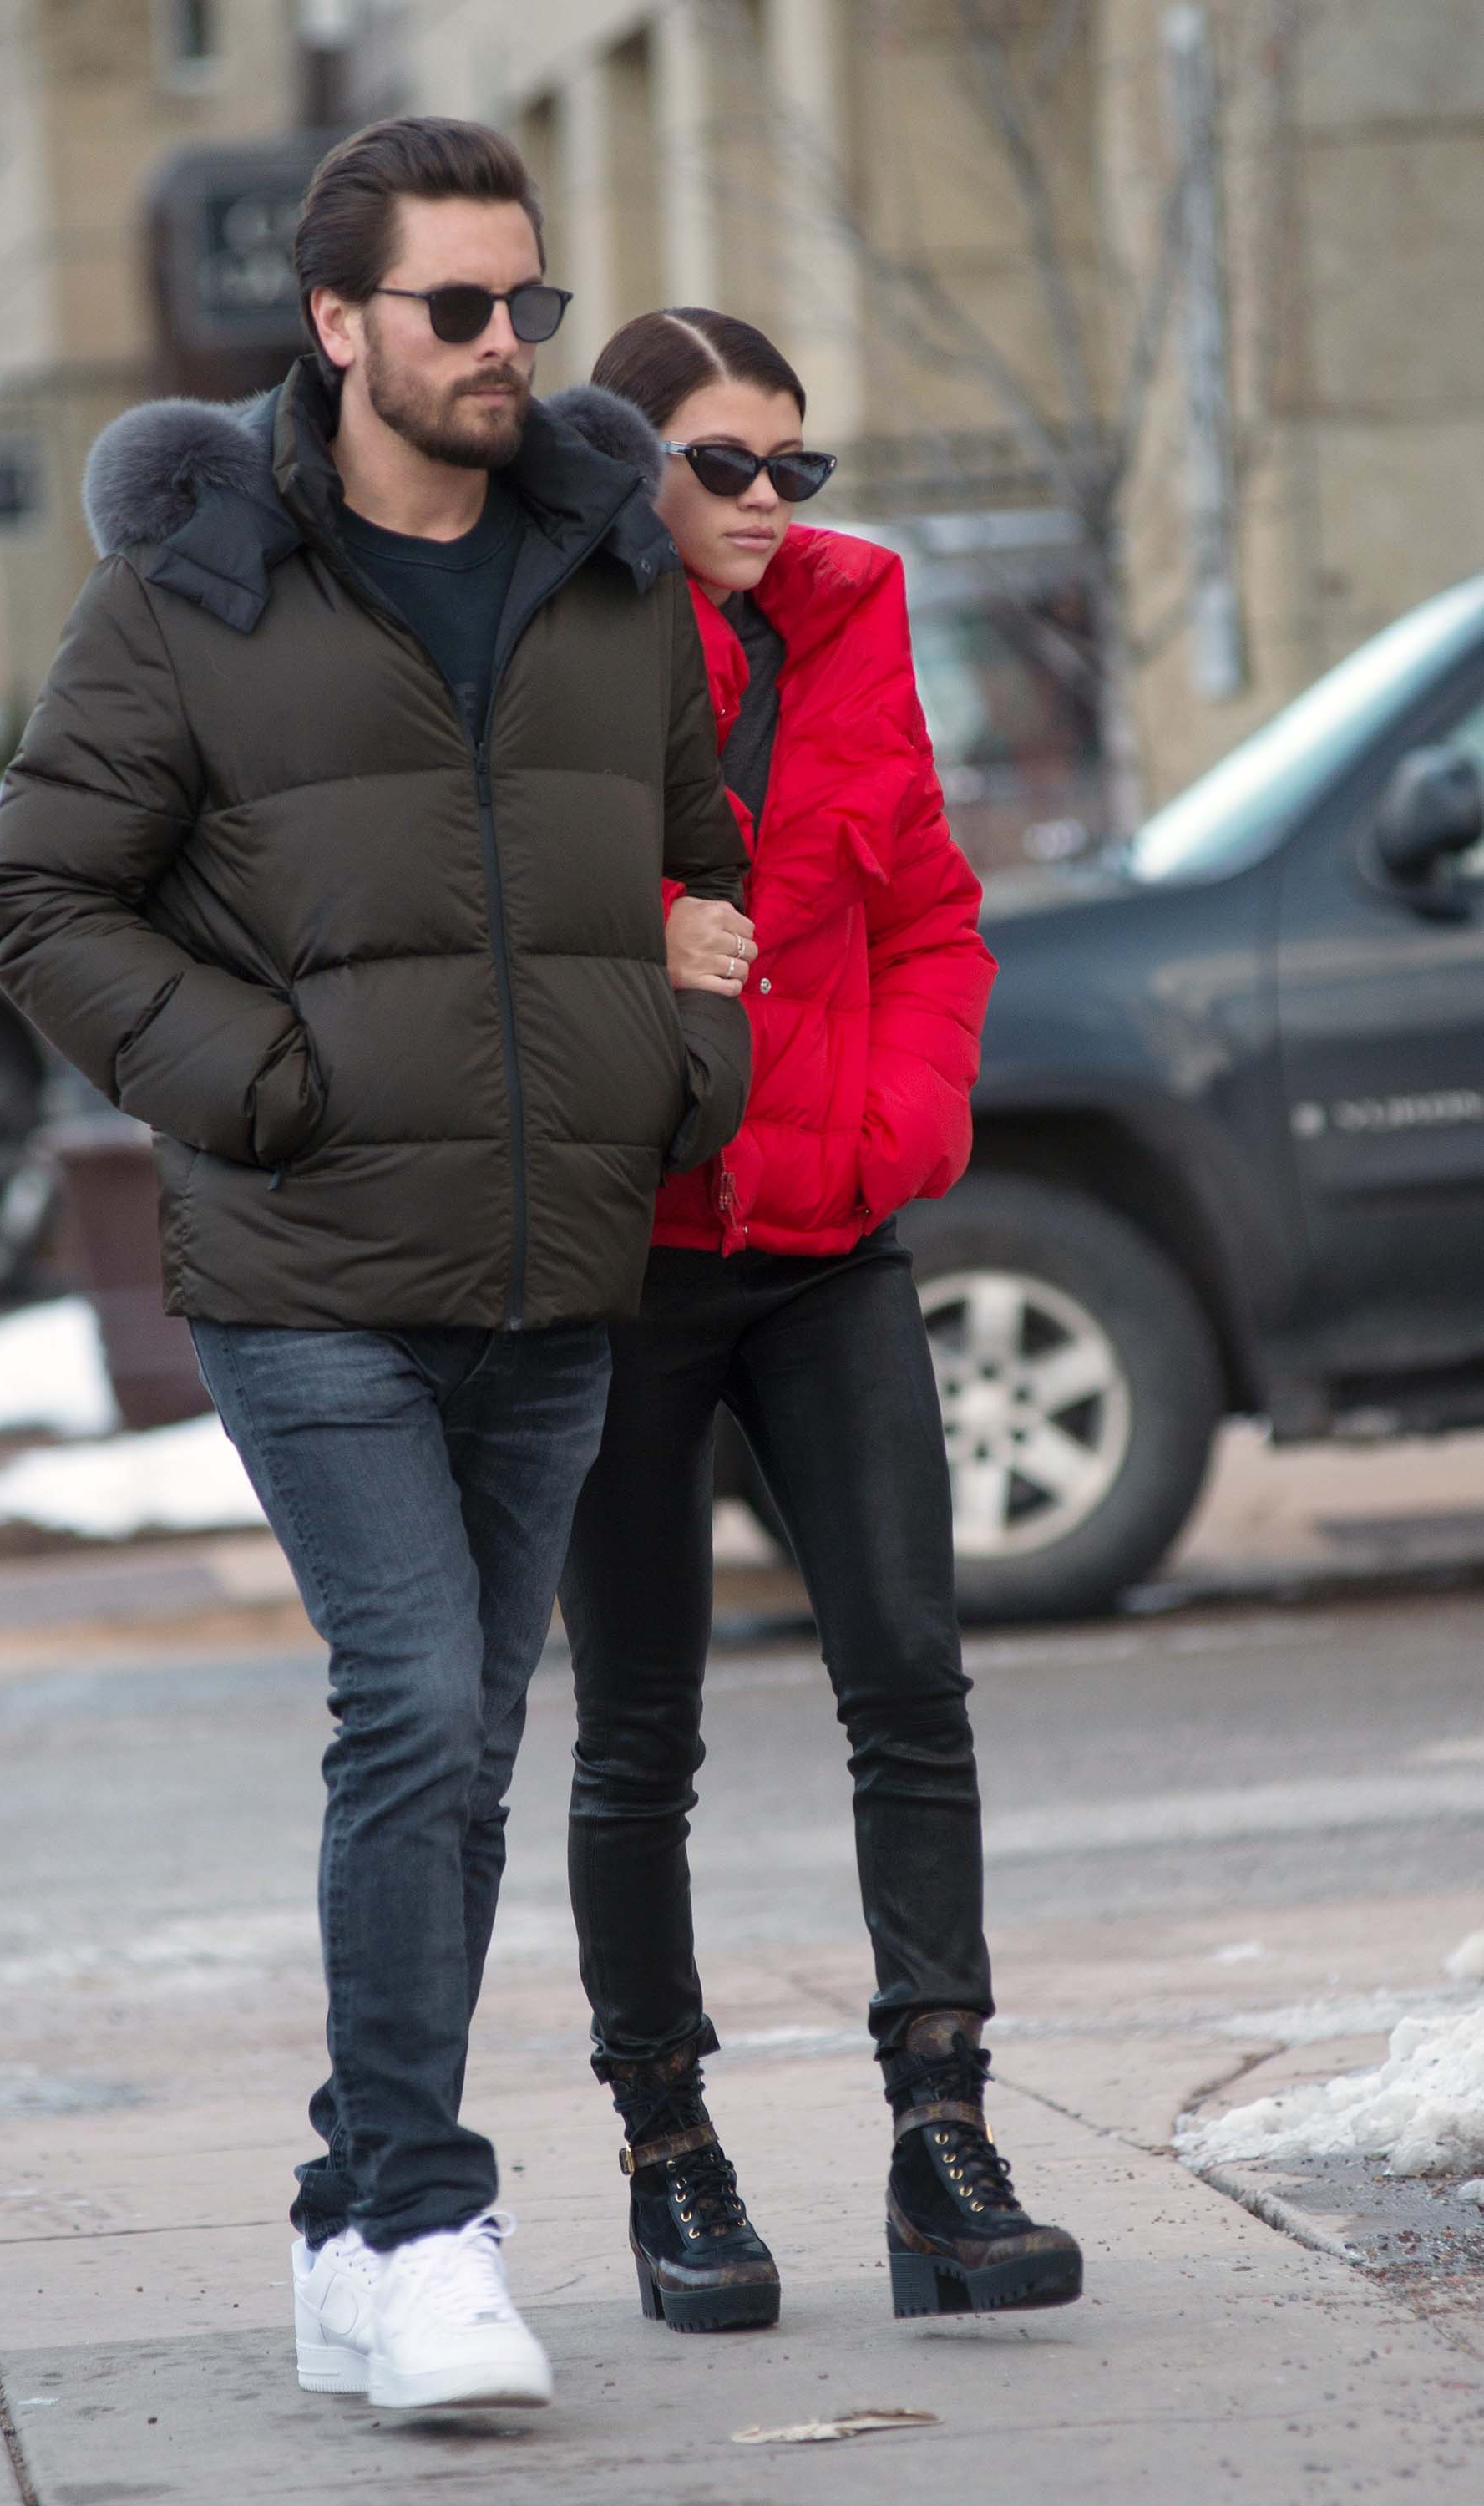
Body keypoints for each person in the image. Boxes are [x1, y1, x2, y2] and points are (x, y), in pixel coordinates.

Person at [0, 128, 752, 2413]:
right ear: (336, 325)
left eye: (527, 302)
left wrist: (681, 1061)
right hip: (306, 1259)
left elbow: (695, 859)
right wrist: (260, 1080)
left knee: (464, 1750)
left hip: (552, 1261)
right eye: (454, 308)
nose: (505, 345)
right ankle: (421, 2228)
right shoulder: (191, 595)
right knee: (412, 1704)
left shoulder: (611, 578)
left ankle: (342, 2217)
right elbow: (40, 894)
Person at [555, 308, 1083, 2332]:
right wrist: (643, 942)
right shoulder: (561, 641)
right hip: (630, 1257)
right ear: (632, 464)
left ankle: (944, 2142)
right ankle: (670, 2152)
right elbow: (488, 915)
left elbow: (931, 910)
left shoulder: (854, 627)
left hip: (830, 1238)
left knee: (912, 1680)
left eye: (798, 464)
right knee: (642, 1733)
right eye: (726, 464)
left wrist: (907, 1113)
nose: (770, 499)